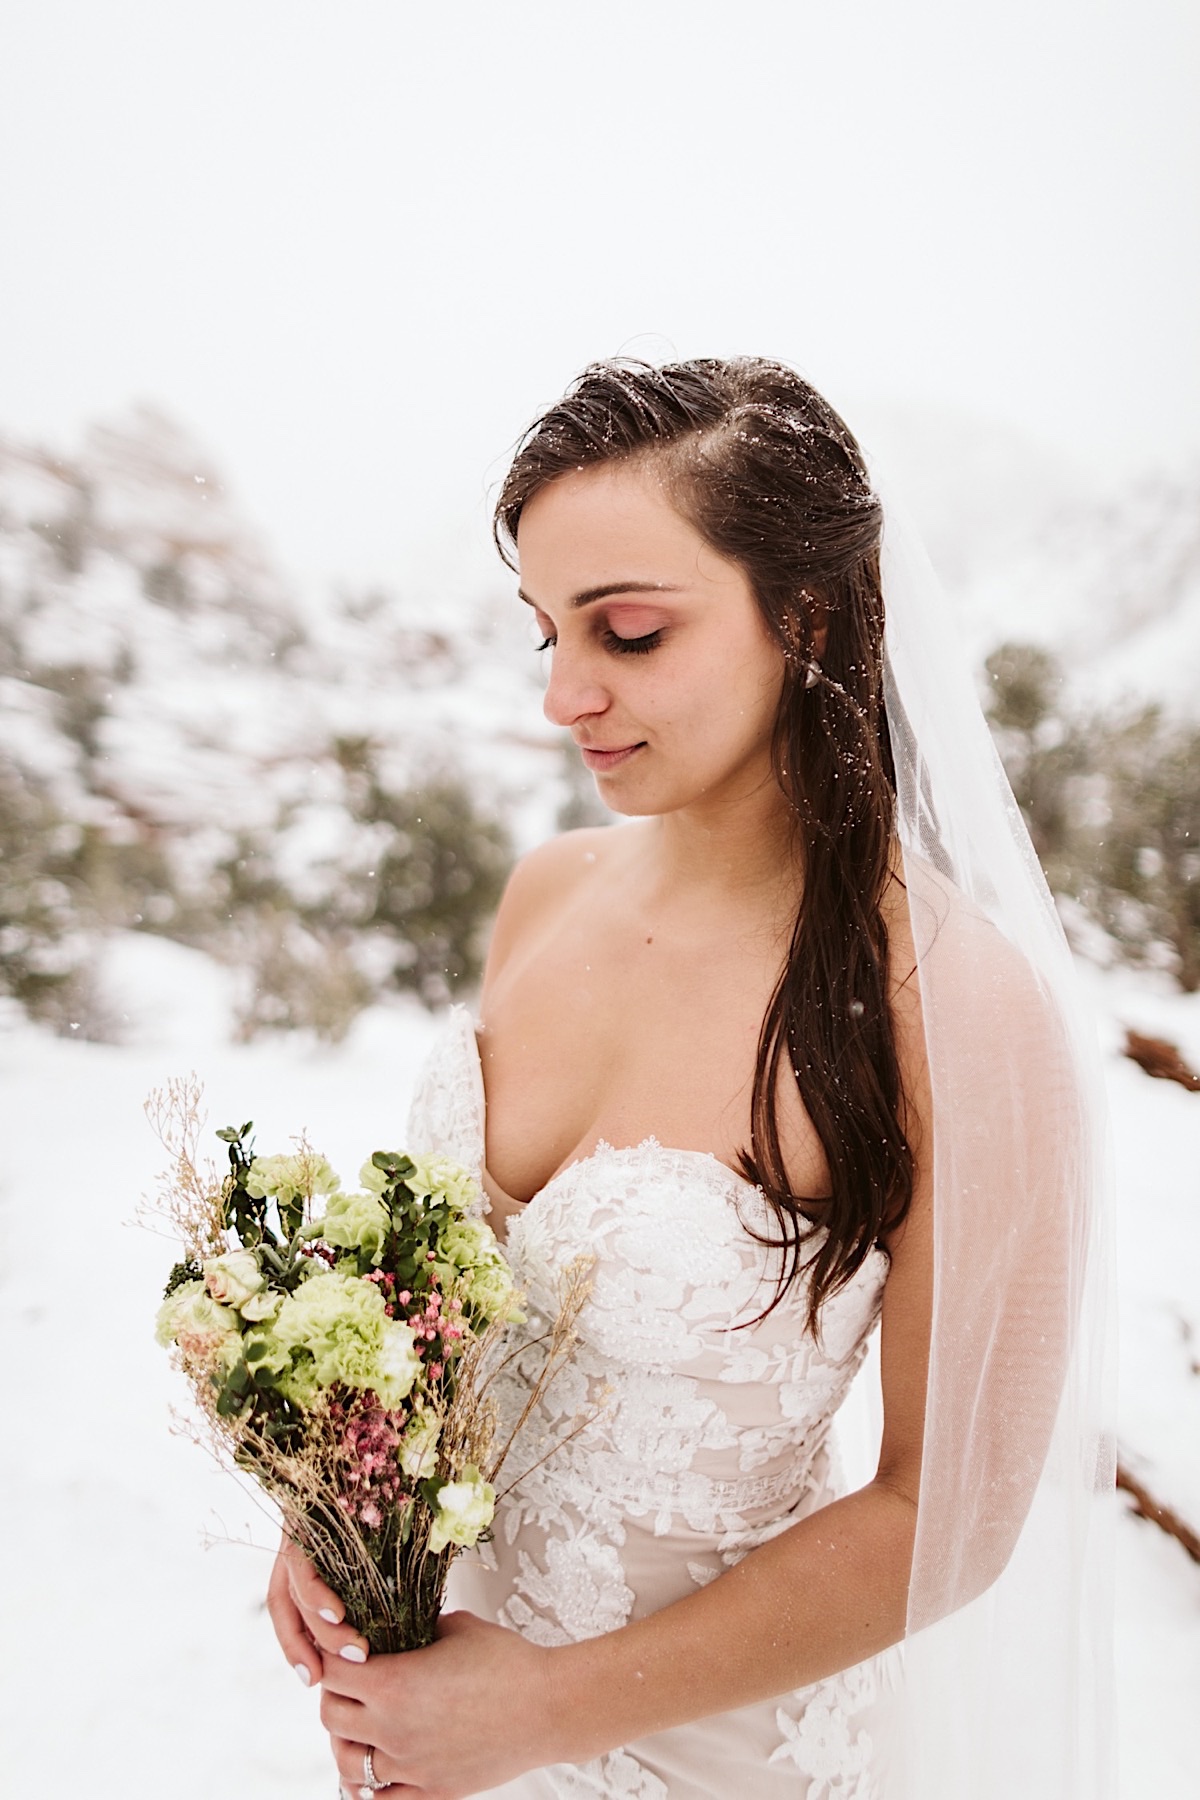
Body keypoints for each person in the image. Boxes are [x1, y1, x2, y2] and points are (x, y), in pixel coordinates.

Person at [267, 358, 1113, 1799]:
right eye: (545, 632)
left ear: (813, 612)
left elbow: (950, 1514)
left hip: (716, 1754)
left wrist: (545, 1714)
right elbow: (462, 1304)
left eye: (632, 632)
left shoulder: (956, 1006)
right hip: (435, 1721)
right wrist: (348, 1511)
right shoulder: (544, 897)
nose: (563, 694)